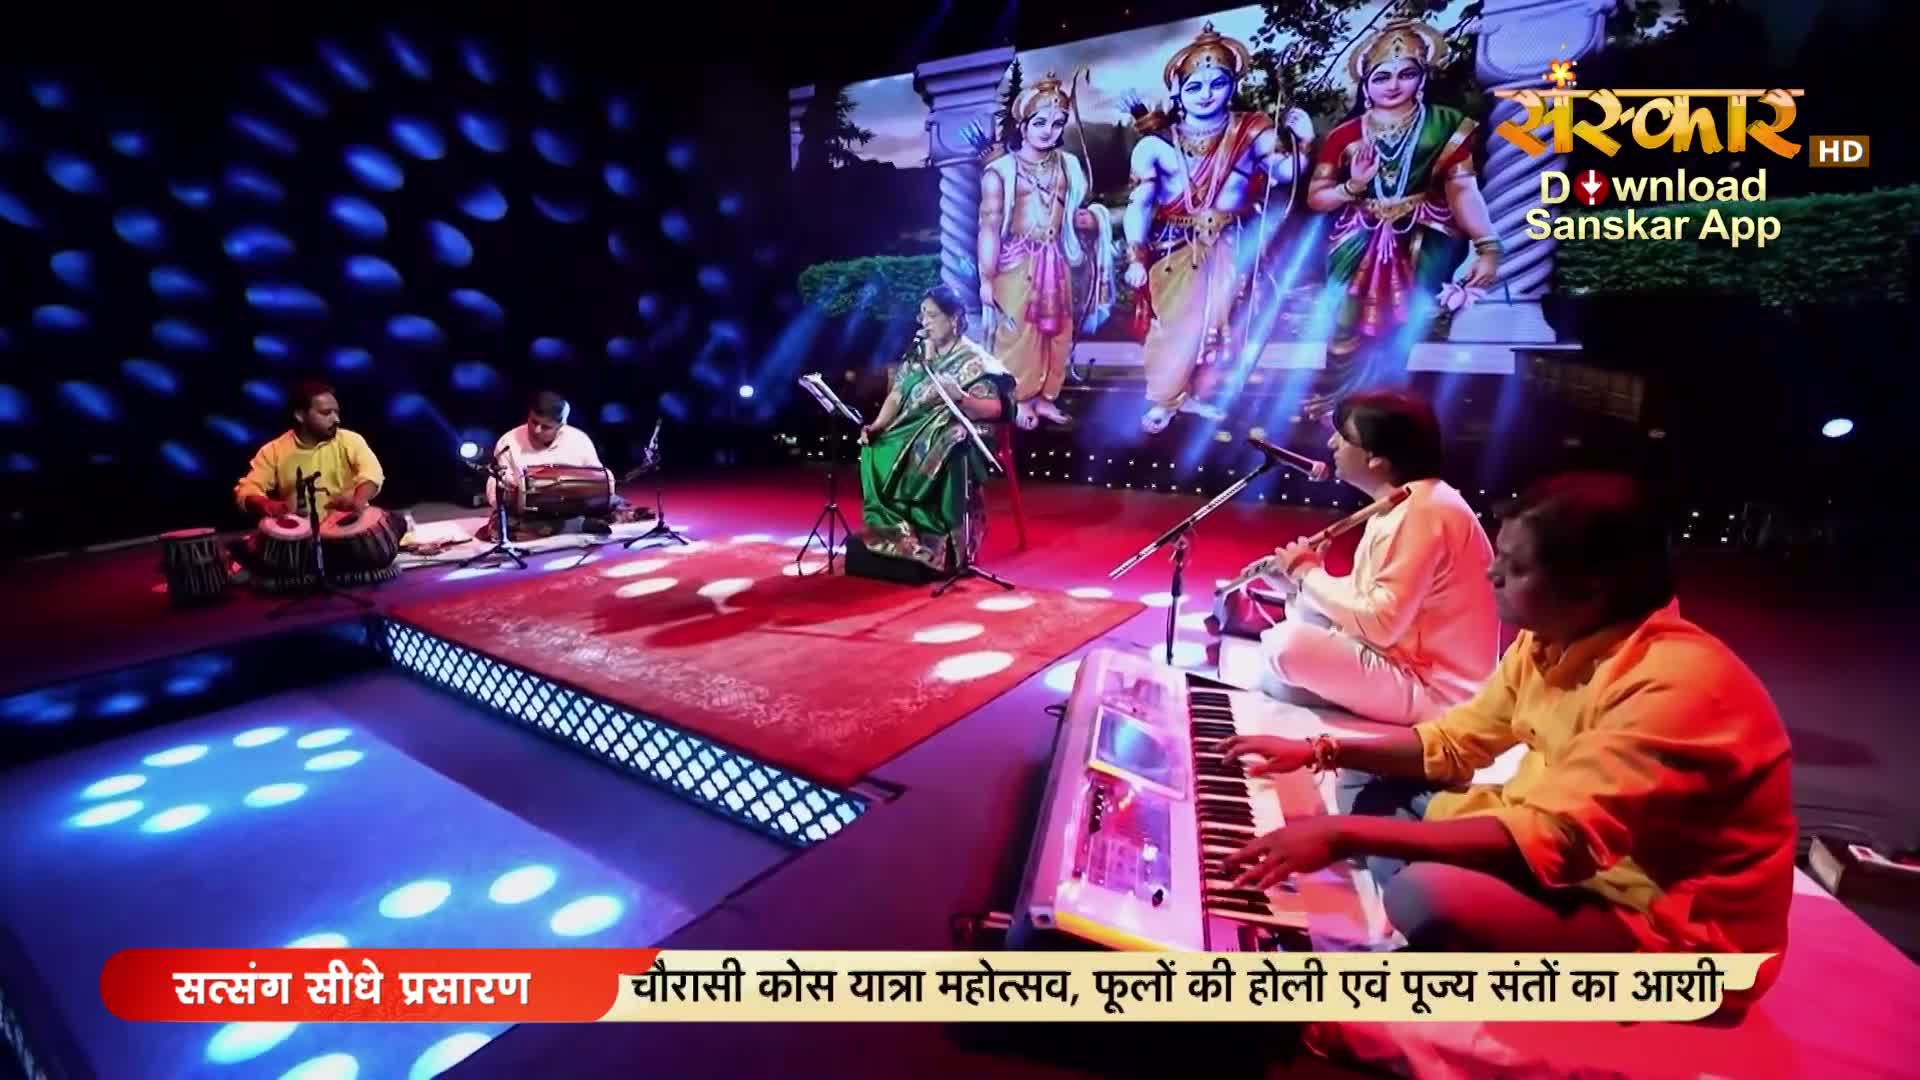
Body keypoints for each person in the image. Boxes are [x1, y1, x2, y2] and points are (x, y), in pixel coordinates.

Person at [1217, 473, 1795, 1013]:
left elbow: (1558, 840)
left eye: (1514, 567)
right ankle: (1453, 916)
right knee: (1363, 773)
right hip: (1548, 840)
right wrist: (1321, 750)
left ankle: (1438, 923)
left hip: (1664, 929)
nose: (1491, 574)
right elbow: (1455, 743)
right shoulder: (1551, 638)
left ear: (1588, 588)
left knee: (1424, 894)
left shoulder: (1678, 684)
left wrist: (1346, 834)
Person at [1237, 389, 1496, 726]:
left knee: (1287, 645)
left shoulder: (1421, 512)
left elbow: (1381, 624)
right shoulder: (1409, 503)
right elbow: (1372, 600)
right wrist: (1298, 584)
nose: (1331, 443)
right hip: (1407, 662)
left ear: (1376, 458)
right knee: (1298, 633)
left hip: (1435, 690)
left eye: (1344, 436)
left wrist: (1307, 573)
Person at [1123, 22, 1317, 434]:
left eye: (1218, 83)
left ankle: (1202, 395)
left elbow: (1285, 174)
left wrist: (1303, 142)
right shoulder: (1155, 145)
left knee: (1226, 326)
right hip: (1175, 247)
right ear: (1178, 92)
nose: (1207, 94)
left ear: (1233, 86)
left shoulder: (1252, 130)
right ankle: (1165, 398)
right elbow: (1139, 204)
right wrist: (1136, 256)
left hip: (1232, 243)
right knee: (1177, 327)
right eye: (1195, 86)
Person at [1304, 20, 1502, 415]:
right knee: (1343, 322)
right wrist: (1353, 186)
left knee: (1404, 323)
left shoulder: (1445, 125)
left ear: (1422, 78)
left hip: (1423, 236)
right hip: (1356, 238)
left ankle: (1387, 410)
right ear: (1365, 85)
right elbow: (1317, 198)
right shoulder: (1344, 135)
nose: (1393, 85)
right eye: (1382, 77)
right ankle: (1341, 405)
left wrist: (1487, 246)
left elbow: (1462, 188)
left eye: (1406, 74)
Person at [977, 70, 1114, 432]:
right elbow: (989, 226)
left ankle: (1045, 396)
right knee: (1019, 333)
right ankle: (1018, 398)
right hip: (1015, 264)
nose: (1048, 131)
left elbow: (1073, 214)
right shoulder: (1000, 172)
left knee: (1058, 332)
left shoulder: (1068, 166)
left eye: (1057, 124)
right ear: (1022, 125)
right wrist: (986, 279)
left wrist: (1091, 219)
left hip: (1056, 260)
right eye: (1040, 122)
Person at [854, 286, 1014, 574]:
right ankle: (896, 531)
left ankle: (941, 539)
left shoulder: (974, 360)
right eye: (922, 315)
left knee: (948, 442)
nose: (924, 322)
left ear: (954, 319)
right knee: (874, 446)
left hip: (960, 429)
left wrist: (961, 398)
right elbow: (897, 395)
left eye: (932, 315)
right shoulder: (919, 354)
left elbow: (994, 409)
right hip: (913, 426)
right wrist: (877, 425)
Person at [478, 391, 636, 539]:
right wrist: (509, 492)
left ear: (561, 426)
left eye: (546, 427)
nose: (537, 430)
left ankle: (570, 524)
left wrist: (598, 490)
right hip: (531, 513)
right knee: (500, 524)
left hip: (575, 506)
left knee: (616, 503)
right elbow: (495, 482)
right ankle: (578, 525)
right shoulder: (509, 442)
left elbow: (597, 477)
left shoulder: (579, 439)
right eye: (534, 422)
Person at [235, 380, 383, 520]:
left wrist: (358, 501)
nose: (336, 419)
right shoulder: (273, 451)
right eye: (326, 413)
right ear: (300, 415)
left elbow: (372, 473)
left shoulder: (350, 440)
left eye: (336, 412)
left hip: (348, 527)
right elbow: (247, 490)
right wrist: (268, 505)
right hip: (301, 533)